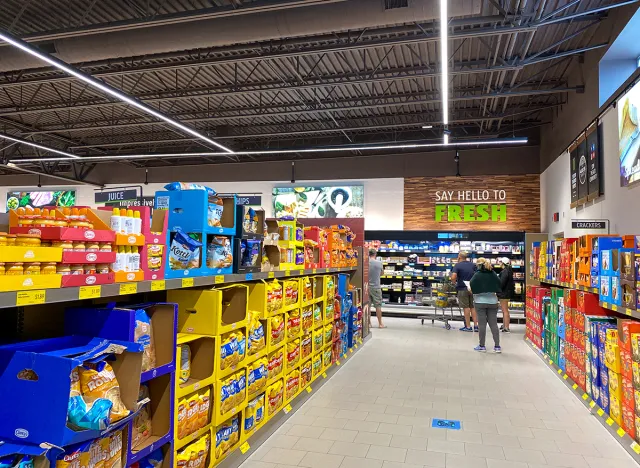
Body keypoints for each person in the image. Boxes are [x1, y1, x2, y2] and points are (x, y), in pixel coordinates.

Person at [470, 258, 502, 353]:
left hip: (480, 302)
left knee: (482, 324)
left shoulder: (477, 274)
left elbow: (472, 284)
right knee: (493, 324)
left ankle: (482, 346)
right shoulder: (493, 274)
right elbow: (499, 283)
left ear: (479, 265)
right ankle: (497, 346)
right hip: (493, 301)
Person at [451, 251, 478, 332]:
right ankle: (476, 326)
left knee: (466, 307)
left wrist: (454, 283)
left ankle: (468, 326)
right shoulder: (473, 265)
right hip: (473, 289)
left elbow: (453, 276)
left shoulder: (457, 265)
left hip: (462, 288)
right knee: (473, 307)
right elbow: (477, 275)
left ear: (459, 257)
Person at [368, 248, 386, 328]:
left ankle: (368, 323)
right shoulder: (379, 263)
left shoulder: (366, 263)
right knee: (378, 306)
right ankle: (380, 324)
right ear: (375, 254)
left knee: (367, 306)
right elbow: (382, 273)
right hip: (376, 287)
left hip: (367, 287)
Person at [497, 257, 515, 333]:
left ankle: (506, 327)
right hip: (507, 293)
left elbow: (502, 283)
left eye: (500, 262)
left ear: (503, 263)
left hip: (504, 293)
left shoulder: (505, 271)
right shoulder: (509, 270)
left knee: (505, 310)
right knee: (504, 310)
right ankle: (504, 325)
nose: (499, 263)